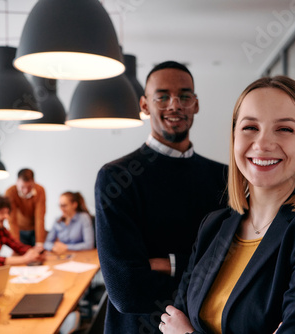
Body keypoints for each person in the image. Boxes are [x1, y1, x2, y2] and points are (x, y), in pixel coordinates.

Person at [158, 76, 295, 334]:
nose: (262, 144)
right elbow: (173, 317)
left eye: (285, 129)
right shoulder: (214, 225)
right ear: (234, 136)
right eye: (250, 127)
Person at [94, 61, 228, 334]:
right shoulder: (116, 178)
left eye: (185, 96)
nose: (174, 105)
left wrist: (168, 264)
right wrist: (200, 270)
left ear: (196, 104)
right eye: (162, 96)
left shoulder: (224, 178)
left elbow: (231, 266)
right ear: (144, 105)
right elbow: (126, 290)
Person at [5, 168, 46, 246]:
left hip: (35, 230)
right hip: (19, 230)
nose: (26, 190)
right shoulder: (10, 192)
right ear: (17, 182)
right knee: (21, 254)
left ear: (34, 182)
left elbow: (40, 217)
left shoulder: (40, 190)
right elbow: (12, 220)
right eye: (22, 187)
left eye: (29, 187)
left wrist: (39, 243)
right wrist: (16, 244)